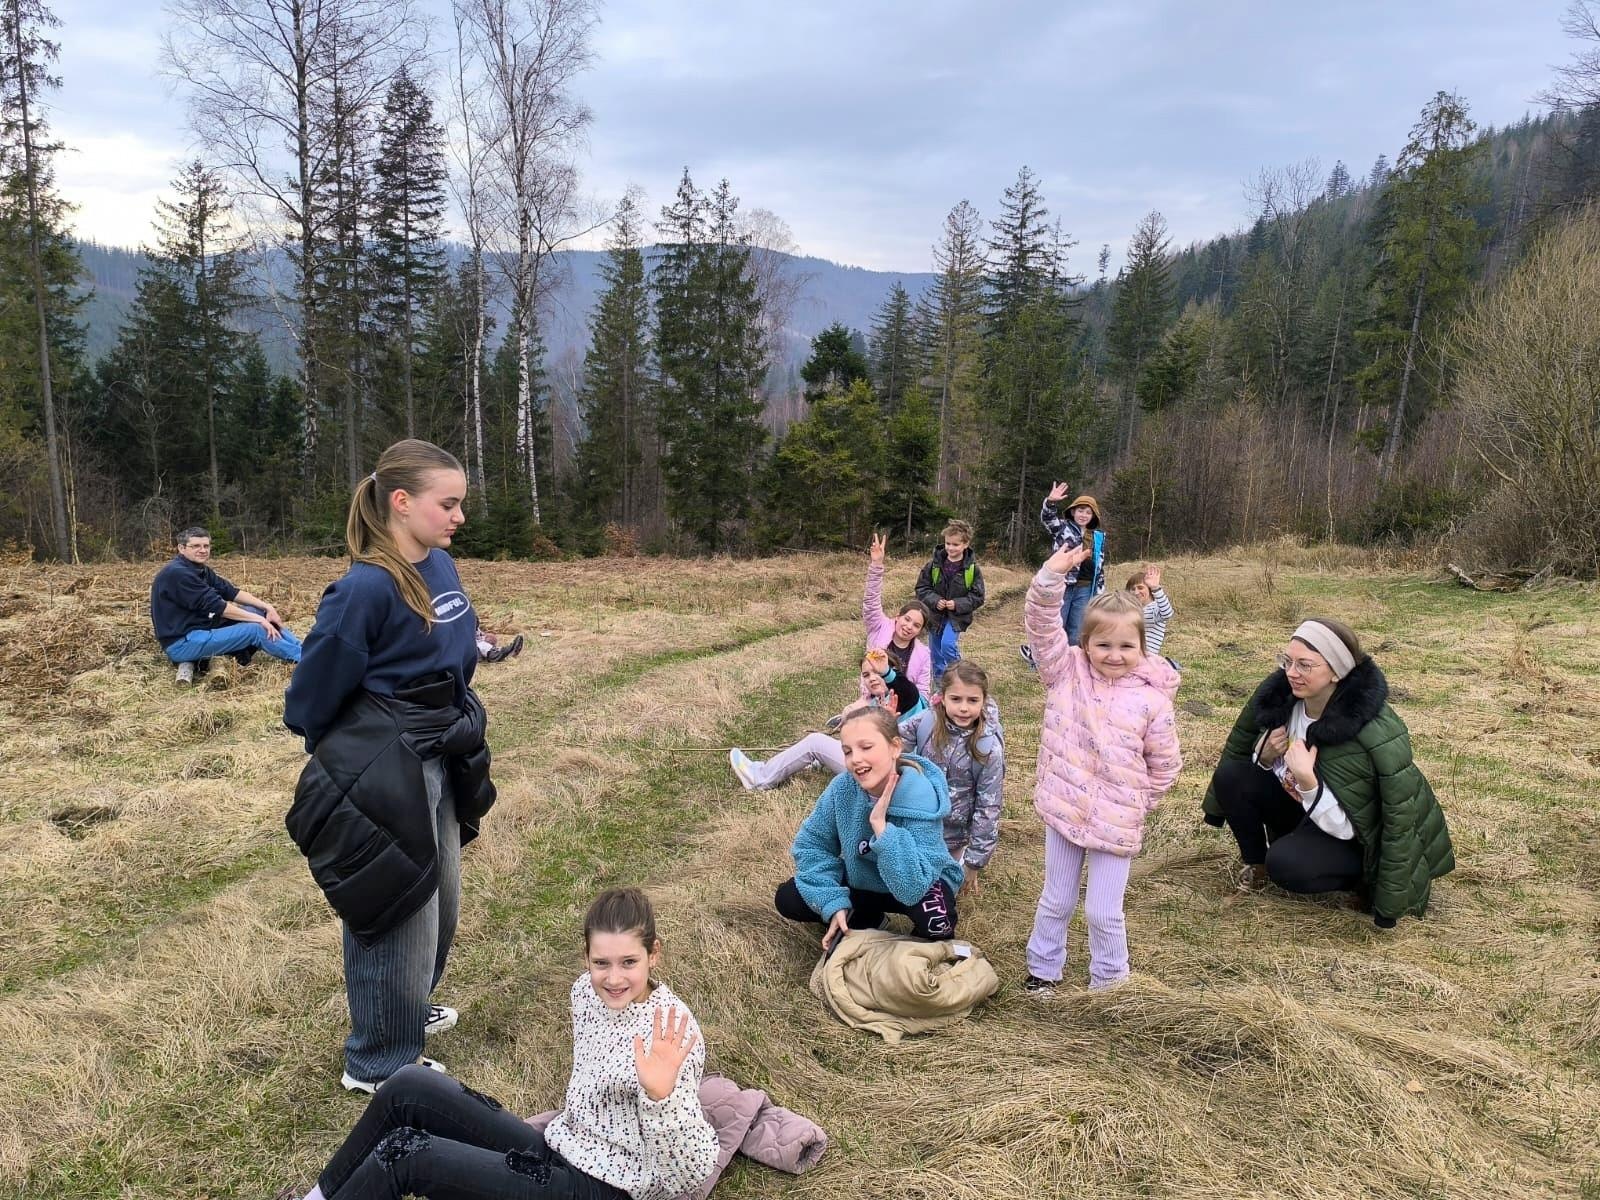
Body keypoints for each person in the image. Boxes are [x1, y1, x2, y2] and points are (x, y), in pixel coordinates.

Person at [275, 888, 719, 1200]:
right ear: (586, 956)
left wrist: (661, 1100)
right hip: (560, 1149)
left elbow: (688, 1172)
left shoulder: (672, 1034)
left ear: (654, 954)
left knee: (405, 1155)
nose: (614, 978)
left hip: (605, 1188)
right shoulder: (586, 991)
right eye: (601, 962)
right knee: (407, 1083)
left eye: (629, 962)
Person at [284, 439, 494, 1094]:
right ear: (401, 503)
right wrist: (356, 758)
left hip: (442, 753)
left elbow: (453, 653)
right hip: (390, 768)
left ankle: (401, 1008)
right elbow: (310, 700)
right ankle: (377, 1062)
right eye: (448, 504)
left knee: (442, 906)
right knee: (395, 910)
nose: (459, 517)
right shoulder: (362, 589)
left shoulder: (440, 568)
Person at [1201, 618, 1454, 926]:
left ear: (1336, 671)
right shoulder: (1286, 703)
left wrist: (1308, 781)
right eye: (1287, 661)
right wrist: (1264, 757)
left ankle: (1357, 880)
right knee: (1232, 775)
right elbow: (1251, 758)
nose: (1291, 673)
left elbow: (1355, 826)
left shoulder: (1366, 732)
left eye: (1305, 665)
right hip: (1305, 814)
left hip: (1352, 839)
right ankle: (1257, 866)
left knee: (1287, 865)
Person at [1022, 549, 1181, 996]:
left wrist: (1137, 800)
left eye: (1126, 646)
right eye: (1103, 644)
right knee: (1056, 899)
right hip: (1065, 808)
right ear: (1085, 642)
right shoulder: (1064, 672)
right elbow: (1040, 624)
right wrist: (1051, 577)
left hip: (1118, 818)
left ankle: (1110, 984)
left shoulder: (1153, 699)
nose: (1114, 655)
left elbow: (1166, 763)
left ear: (1143, 647)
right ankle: (1042, 971)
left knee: (1103, 911)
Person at [774, 708, 965, 944]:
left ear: (894, 747)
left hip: (918, 881)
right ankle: (867, 919)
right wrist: (832, 902)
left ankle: (909, 949)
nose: (856, 759)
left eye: (866, 747)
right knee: (789, 897)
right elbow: (812, 845)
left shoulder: (920, 795)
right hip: (862, 881)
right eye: (847, 751)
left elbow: (913, 887)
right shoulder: (841, 788)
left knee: (939, 924)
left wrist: (882, 829)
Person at [729, 649, 924, 790]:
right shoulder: (874, 703)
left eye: (878, 672)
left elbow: (906, 689)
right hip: (879, 770)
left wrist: (887, 674)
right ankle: (813, 761)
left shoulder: (907, 698)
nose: (872, 678)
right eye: (866, 674)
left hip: (895, 775)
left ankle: (758, 777)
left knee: (815, 742)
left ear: (893, 672)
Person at [897, 662, 1005, 897]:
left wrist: (974, 863)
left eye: (972, 700)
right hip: (917, 825)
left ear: (983, 701)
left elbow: (988, 807)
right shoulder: (927, 722)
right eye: (956, 699)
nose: (964, 708)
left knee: (938, 894)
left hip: (955, 839)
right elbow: (892, 744)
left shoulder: (988, 749)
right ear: (942, 698)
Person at [150, 526, 302, 683]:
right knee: (255, 629)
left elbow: (231, 592)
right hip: (182, 643)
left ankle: (304, 648)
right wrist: (259, 620)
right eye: (196, 546)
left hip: (201, 629)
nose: (203, 550)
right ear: (181, 548)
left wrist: (267, 607)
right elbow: (219, 607)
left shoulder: (199, 569)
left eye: (206, 546)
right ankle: (305, 659)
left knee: (256, 610)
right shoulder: (178, 574)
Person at [1022, 484, 1106, 665]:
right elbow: (1047, 518)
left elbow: (1100, 563)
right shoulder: (1063, 527)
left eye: (1088, 512)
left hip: (1085, 587)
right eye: (1080, 510)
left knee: (1076, 629)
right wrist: (1051, 501)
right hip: (1064, 584)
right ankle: (1041, 660)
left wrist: (1099, 587)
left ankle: (1068, 663)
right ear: (1073, 512)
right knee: (1055, 624)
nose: (1083, 515)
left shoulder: (1098, 536)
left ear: (1094, 516)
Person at [861, 531, 932, 700]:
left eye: (916, 625)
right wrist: (876, 565)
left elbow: (922, 690)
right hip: (872, 700)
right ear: (897, 617)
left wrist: (919, 714)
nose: (909, 627)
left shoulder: (923, 654)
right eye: (907, 619)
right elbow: (871, 600)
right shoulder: (878, 627)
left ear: (920, 631)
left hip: (904, 707)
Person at [915, 520, 986, 679]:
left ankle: (963, 677)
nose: (950, 548)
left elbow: (978, 597)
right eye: (948, 543)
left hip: (957, 617)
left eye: (955, 544)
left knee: (947, 646)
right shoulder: (933, 565)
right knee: (936, 654)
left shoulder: (972, 569)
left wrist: (957, 604)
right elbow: (921, 588)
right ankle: (941, 688)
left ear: (966, 544)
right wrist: (934, 600)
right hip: (935, 616)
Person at [1127, 564, 1175, 657]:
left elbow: (1167, 613)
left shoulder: (1155, 608)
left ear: (1149, 589)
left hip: (1145, 660)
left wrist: (1156, 588)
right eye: (1133, 589)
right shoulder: (1134, 609)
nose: (1136, 592)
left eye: (1140, 588)